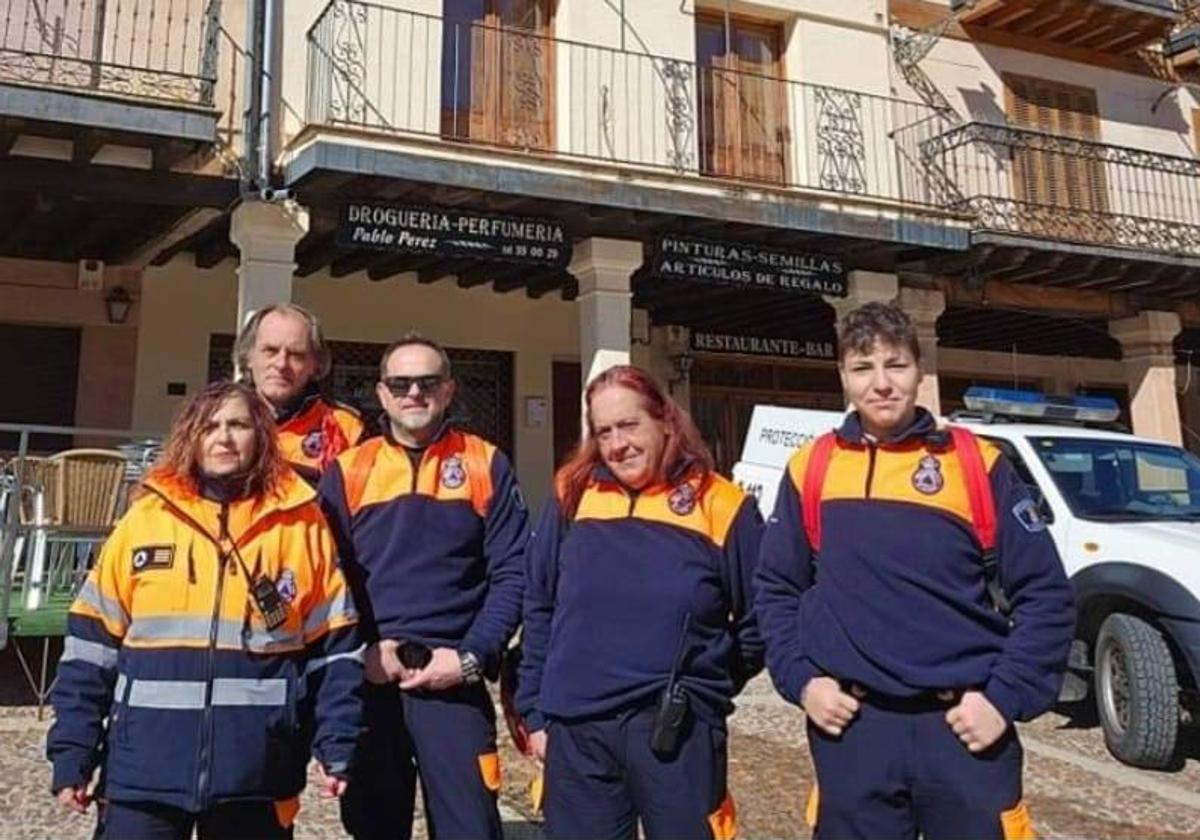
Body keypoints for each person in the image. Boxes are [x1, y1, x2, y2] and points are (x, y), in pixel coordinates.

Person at [755, 302, 1075, 840]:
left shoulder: (977, 464)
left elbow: (1047, 596)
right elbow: (776, 590)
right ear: (843, 378)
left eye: (895, 365)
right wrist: (803, 681)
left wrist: (1003, 698)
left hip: (963, 729)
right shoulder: (811, 468)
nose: (881, 383)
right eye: (863, 368)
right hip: (852, 731)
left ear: (919, 370)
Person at [47, 380, 363, 840]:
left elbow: (335, 649)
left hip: (257, 775)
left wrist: (337, 742)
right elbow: (90, 649)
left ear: (261, 434)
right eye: (209, 425)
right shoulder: (145, 517)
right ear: (190, 437)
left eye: (238, 424)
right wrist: (73, 752)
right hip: (142, 774)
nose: (223, 437)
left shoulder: (301, 521)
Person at [517, 365, 763, 840]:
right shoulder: (573, 494)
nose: (617, 444)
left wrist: (707, 684)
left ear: (665, 422)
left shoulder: (721, 504)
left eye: (629, 425)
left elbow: (760, 620)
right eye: (604, 431)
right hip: (578, 730)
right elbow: (540, 604)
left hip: (676, 730)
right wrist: (535, 711)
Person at [318, 333, 528, 840]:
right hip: (372, 681)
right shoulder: (348, 471)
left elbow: (515, 573)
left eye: (428, 381)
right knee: (373, 827)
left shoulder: (485, 463)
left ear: (449, 390)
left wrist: (474, 656)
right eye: (401, 383)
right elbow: (326, 579)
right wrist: (359, 652)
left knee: (470, 828)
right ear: (382, 393)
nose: (415, 392)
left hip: (453, 682)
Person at [236, 303, 364, 483]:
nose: (281, 364)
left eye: (296, 355)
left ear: (315, 365)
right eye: (270, 351)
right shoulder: (214, 421)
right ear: (248, 357)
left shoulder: (345, 427)